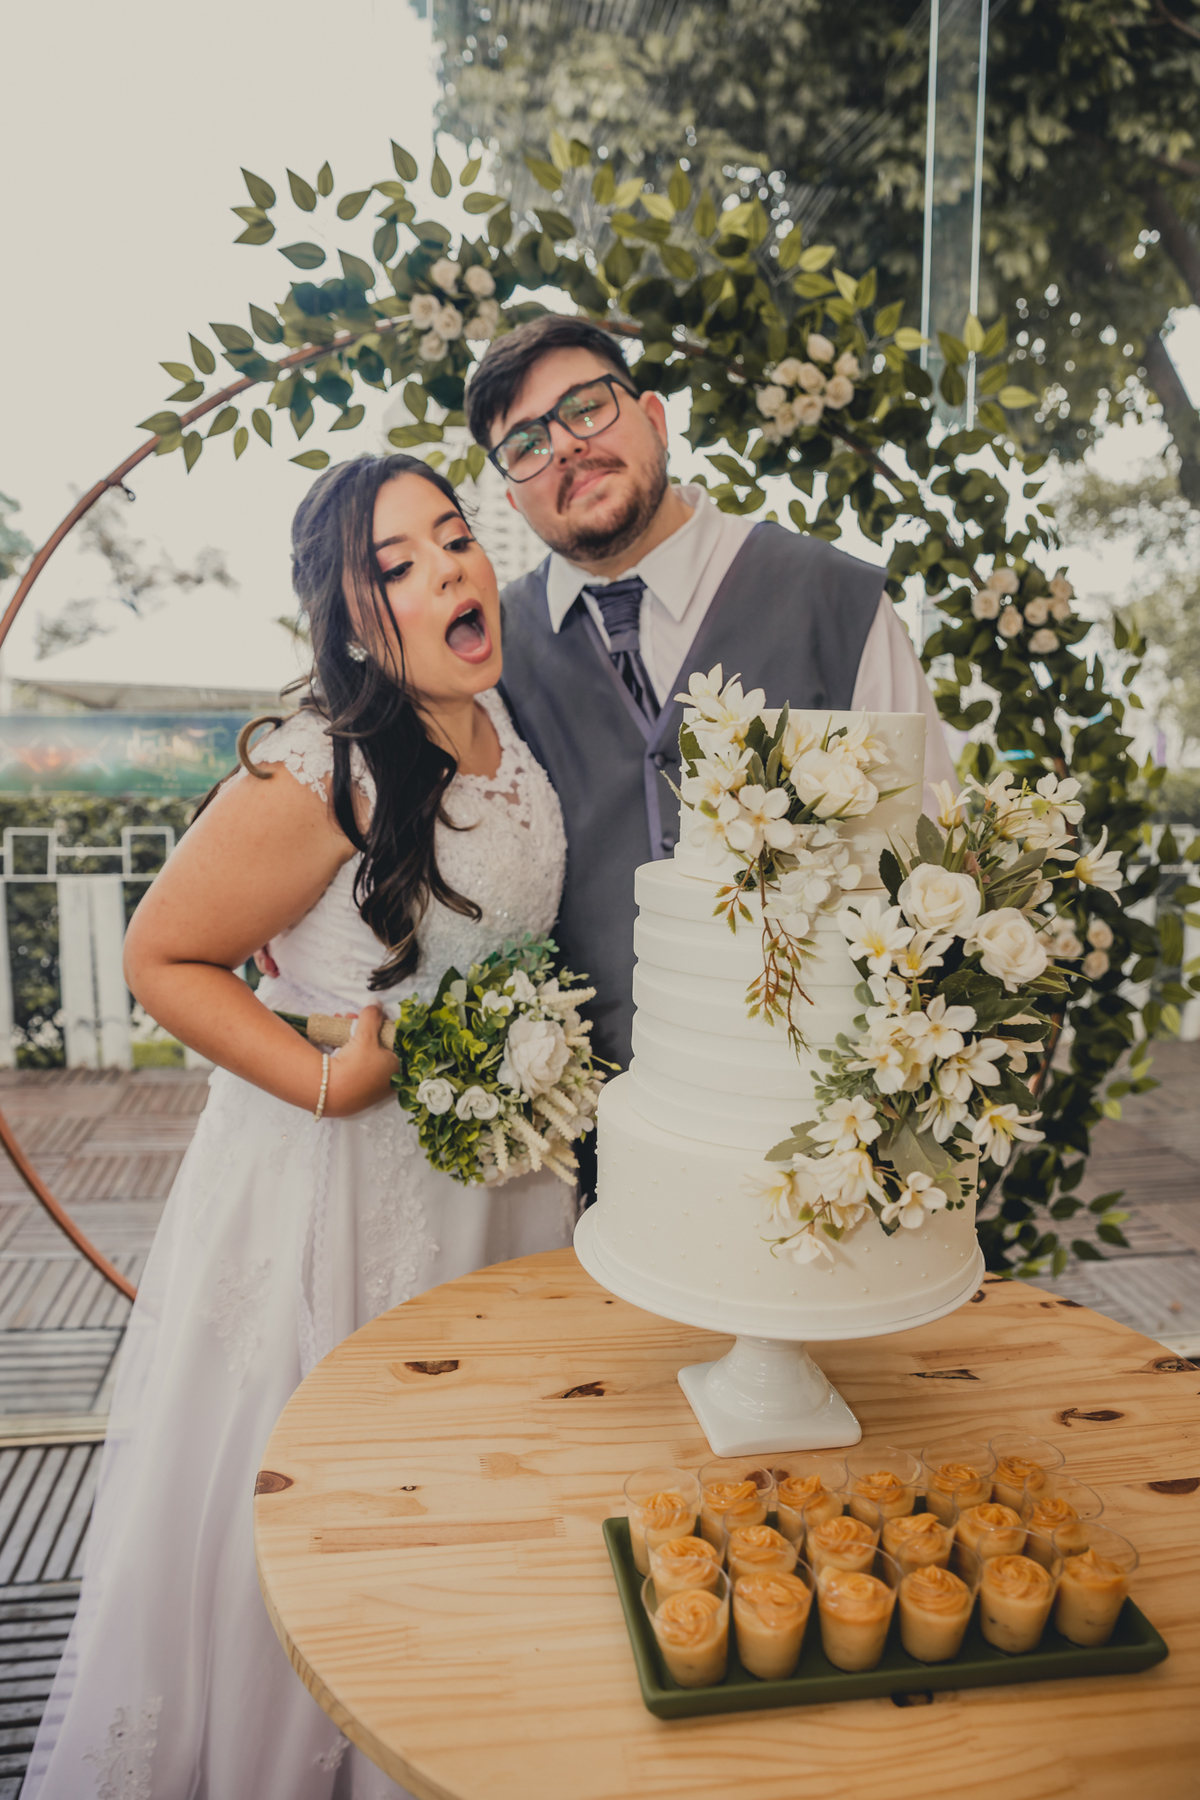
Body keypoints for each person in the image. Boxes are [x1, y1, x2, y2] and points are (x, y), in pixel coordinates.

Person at [23, 454, 575, 1800]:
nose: (449, 567)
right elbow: (164, 957)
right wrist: (326, 1076)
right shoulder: (321, 768)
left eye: (454, 537)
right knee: (323, 1499)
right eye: (397, 562)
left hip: (496, 1190)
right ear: (350, 617)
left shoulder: (505, 720)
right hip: (340, 1183)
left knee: (472, 1496)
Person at [466, 314, 958, 1072]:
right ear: (511, 499)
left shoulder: (833, 598)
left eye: (586, 407)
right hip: (589, 1131)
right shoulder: (489, 653)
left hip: (815, 1107)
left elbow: (926, 856)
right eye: (526, 446)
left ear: (655, 418)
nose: (563, 445)